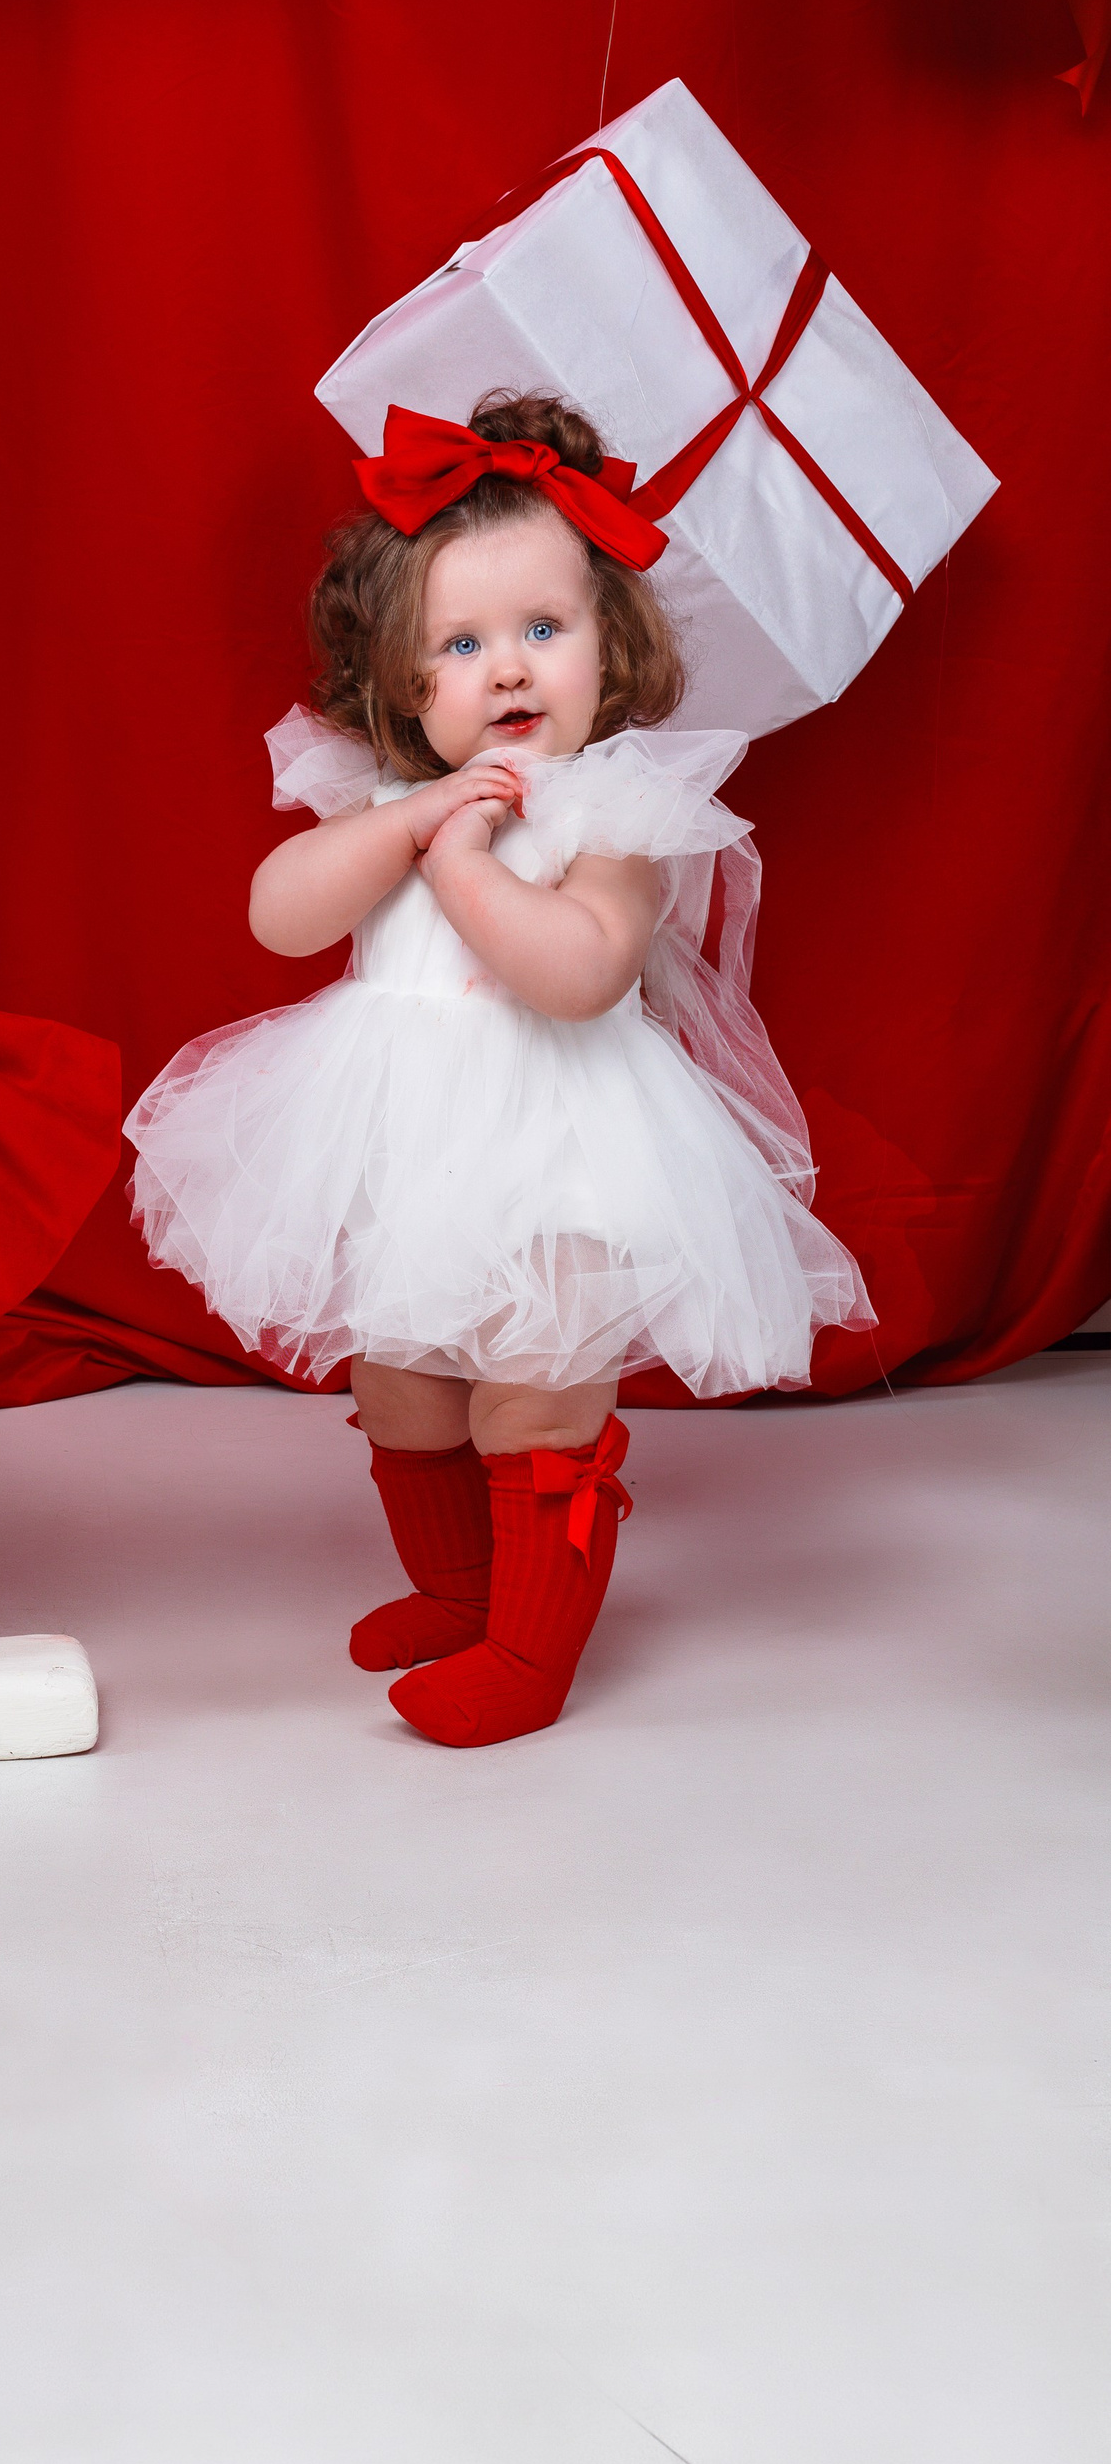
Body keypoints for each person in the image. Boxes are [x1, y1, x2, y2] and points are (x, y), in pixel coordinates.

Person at [125, 391, 873, 1749]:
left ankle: (528, 1649)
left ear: (611, 643)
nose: (510, 671)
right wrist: (413, 821)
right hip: (408, 1149)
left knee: (534, 1389)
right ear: (398, 682)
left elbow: (579, 972)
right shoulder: (388, 801)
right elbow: (280, 915)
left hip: (566, 1150)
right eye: (460, 645)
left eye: (544, 629)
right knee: (402, 1382)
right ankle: (458, 1594)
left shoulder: (616, 814)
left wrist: (464, 864)